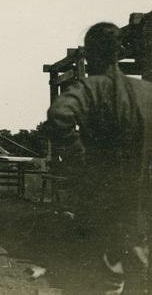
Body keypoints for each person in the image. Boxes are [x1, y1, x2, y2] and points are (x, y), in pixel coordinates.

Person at [46, 22, 152, 294]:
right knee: (139, 276)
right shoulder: (145, 92)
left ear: (91, 54)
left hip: (98, 202)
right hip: (139, 206)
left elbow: (59, 115)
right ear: (119, 52)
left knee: (97, 278)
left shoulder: (91, 88)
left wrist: (78, 161)